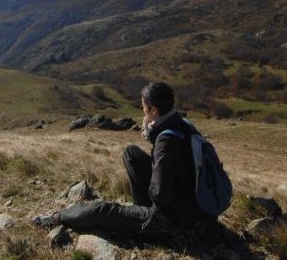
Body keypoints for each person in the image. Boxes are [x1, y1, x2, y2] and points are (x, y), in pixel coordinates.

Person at [32, 82, 210, 239]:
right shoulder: (183, 124)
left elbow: (160, 194)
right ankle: (139, 210)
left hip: (172, 220)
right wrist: (152, 133)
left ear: (154, 110)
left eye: (144, 107)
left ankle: (58, 217)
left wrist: (156, 146)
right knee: (131, 153)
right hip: (195, 206)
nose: (142, 111)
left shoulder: (165, 142)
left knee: (103, 211)